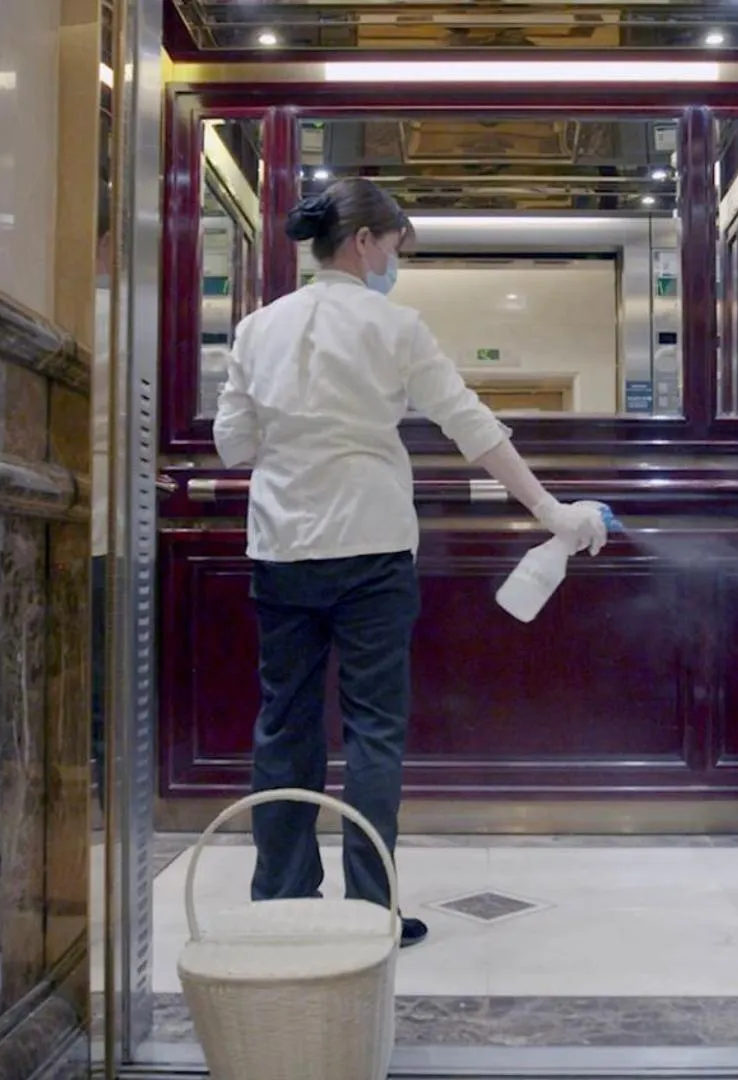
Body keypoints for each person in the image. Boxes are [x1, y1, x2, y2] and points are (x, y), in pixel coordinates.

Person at [213, 177, 609, 948]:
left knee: (284, 727)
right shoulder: (396, 326)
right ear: (365, 242)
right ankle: (370, 912)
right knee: (372, 733)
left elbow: (235, 444)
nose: (394, 263)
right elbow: (470, 424)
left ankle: (282, 902)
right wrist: (551, 510)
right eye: (394, 248)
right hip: (372, 550)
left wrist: (291, 427)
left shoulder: (256, 327)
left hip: (282, 550)